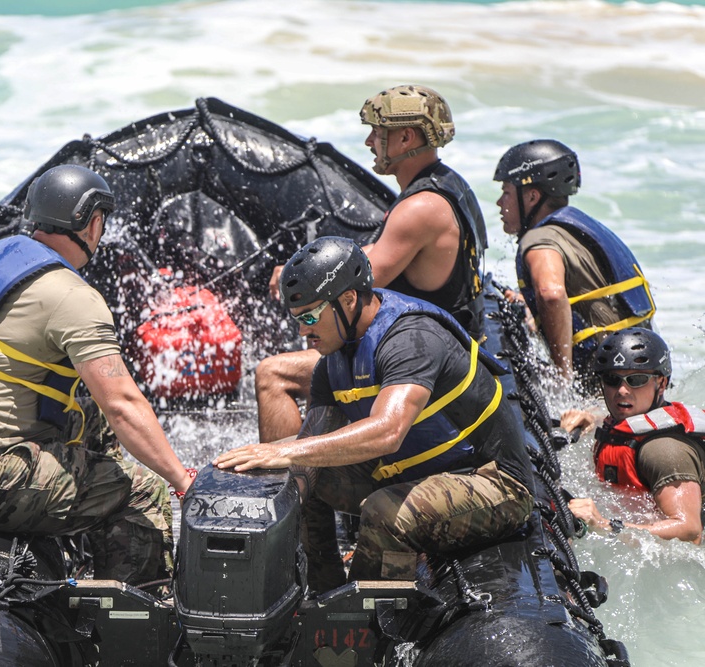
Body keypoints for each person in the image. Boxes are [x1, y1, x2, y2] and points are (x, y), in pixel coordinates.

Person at [0, 164, 194, 586]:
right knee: (142, 492)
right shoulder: (73, 295)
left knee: (88, 414)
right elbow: (123, 404)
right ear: (92, 222)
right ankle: (133, 626)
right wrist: (181, 479)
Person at [216, 237, 534, 590]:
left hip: (494, 481)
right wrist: (280, 495)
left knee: (384, 511)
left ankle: (367, 622)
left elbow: (387, 431)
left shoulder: (410, 338)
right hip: (419, 473)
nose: (303, 331)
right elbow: (310, 450)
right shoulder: (330, 364)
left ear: (349, 300)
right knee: (294, 476)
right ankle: (322, 592)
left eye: (309, 317)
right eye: (297, 320)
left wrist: (281, 449)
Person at [256, 84, 488, 442]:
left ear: (406, 138)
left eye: (377, 133)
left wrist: (293, 273)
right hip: (451, 341)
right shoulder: (450, 185)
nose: (368, 142)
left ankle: (282, 483)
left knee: (273, 375)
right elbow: (382, 251)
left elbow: (349, 280)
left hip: (429, 359)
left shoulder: (419, 208)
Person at [494, 140, 655, 388]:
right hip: (642, 376)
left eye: (505, 192)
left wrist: (563, 379)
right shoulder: (579, 228)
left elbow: (551, 294)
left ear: (532, 196)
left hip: (605, 384)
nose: (499, 203)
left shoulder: (539, 239)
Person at [562, 329, 703, 544]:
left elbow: (689, 529)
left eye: (636, 379)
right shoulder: (623, 423)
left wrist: (605, 525)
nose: (622, 391)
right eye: (612, 379)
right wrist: (592, 418)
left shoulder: (663, 452)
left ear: (662, 383)